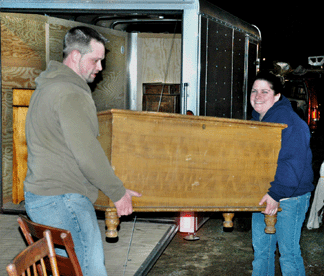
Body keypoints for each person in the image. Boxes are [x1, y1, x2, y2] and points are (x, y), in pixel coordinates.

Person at [24, 26, 141, 276]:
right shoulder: (71, 92)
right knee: (90, 271)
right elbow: (87, 153)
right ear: (75, 56)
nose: (99, 67)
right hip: (63, 200)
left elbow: (64, 149)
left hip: (40, 197)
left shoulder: (47, 86)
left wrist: (110, 184)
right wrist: (118, 193)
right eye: (95, 60)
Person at [250, 72, 314, 276]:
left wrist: (276, 194)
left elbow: (291, 163)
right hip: (264, 193)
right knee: (262, 253)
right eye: (254, 91)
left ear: (277, 96)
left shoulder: (288, 121)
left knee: (288, 254)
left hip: (289, 196)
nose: (257, 96)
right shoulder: (258, 121)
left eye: (264, 91)